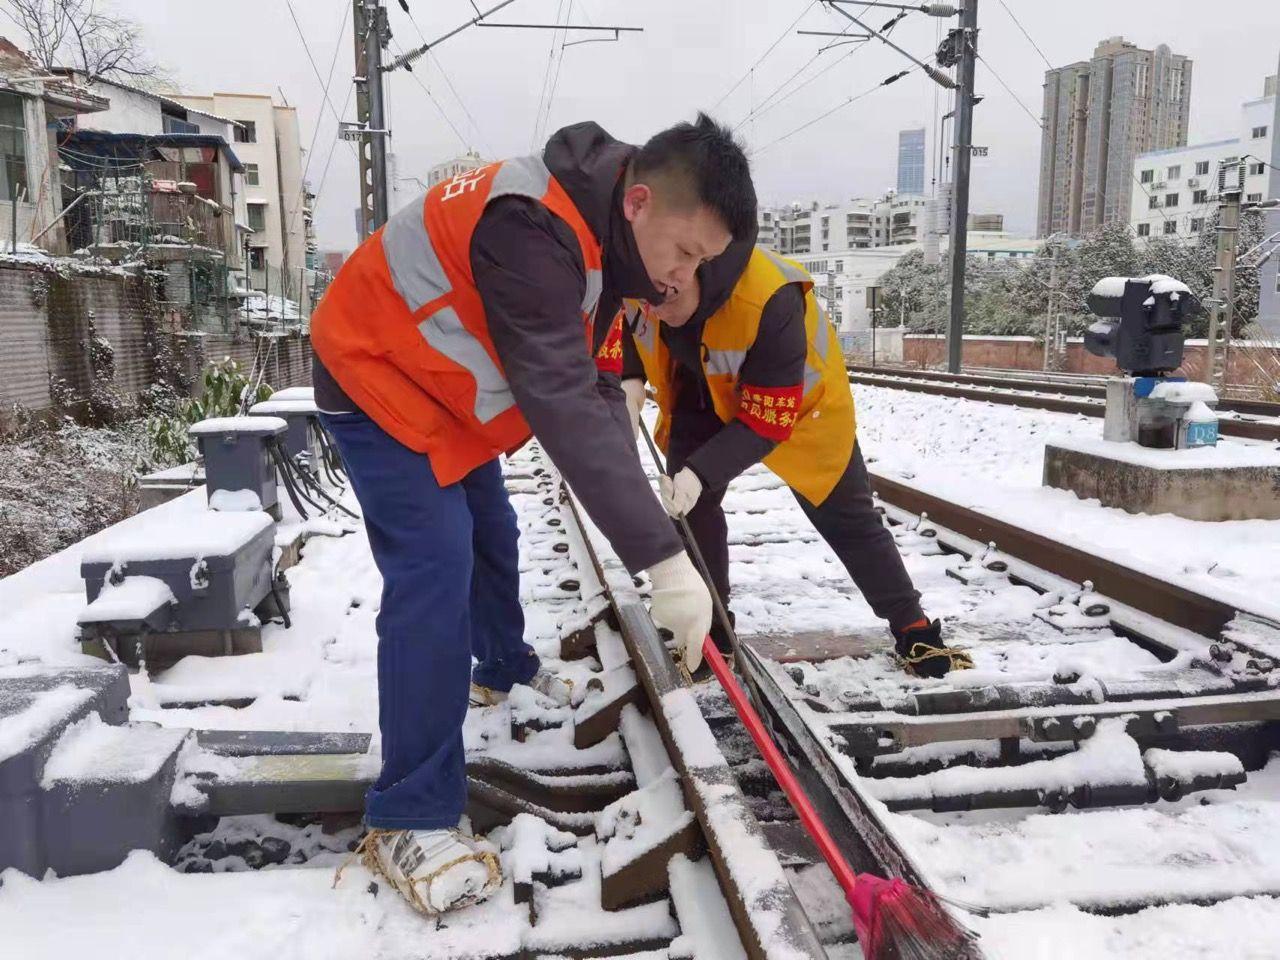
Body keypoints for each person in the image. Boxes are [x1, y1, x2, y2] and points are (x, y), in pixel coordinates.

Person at [310, 114, 755, 916]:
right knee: (434, 567)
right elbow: (557, 396)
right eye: (684, 252)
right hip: (376, 373)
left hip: (443, 390)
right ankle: (410, 813)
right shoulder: (532, 228)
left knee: (491, 532)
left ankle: (502, 666)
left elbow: (589, 389)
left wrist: (637, 493)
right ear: (640, 201)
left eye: (702, 264)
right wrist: (661, 560)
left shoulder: (602, 236)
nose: (681, 277)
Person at [619, 241, 974, 679]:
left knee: (846, 514)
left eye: (666, 298)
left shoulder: (770, 297)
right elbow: (630, 320)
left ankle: (913, 628)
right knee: (690, 510)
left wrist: (700, 472)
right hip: (699, 388)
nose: (656, 310)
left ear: (694, 265)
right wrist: (630, 375)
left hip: (799, 404)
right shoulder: (644, 264)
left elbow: (767, 422)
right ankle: (713, 632)